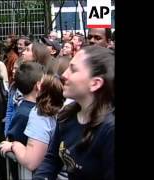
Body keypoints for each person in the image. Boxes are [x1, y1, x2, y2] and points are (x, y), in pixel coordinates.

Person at [33, 45, 115, 180]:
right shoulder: (67, 115)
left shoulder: (109, 130)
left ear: (95, 83)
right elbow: (51, 160)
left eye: (73, 69)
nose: (64, 75)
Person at [0, 74, 65, 171]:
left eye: (40, 82)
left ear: (40, 87)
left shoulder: (40, 114)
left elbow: (31, 162)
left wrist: (14, 145)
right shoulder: (64, 111)